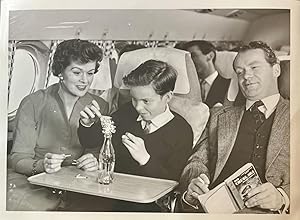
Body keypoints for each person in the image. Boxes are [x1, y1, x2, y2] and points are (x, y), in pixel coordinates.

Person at [179, 41, 289, 214]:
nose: (246, 76)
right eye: (240, 72)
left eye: (254, 67)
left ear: (276, 69)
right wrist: (196, 182)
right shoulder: (219, 116)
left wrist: (283, 197)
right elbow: (196, 161)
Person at [78, 59, 193, 211]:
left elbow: (173, 182)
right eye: (134, 99)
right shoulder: (127, 113)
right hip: (110, 196)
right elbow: (91, 141)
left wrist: (145, 159)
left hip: (147, 206)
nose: (138, 107)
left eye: (146, 101)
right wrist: (87, 123)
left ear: (167, 97)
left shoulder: (182, 131)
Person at [8, 39, 109, 210]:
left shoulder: (100, 105)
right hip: (33, 181)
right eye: (77, 72)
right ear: (60, 71)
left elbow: (97, 150)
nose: (85, 80)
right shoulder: (33, 103)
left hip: (78, 184)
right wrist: (42, 165)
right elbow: (18, 158)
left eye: (90, 73)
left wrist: (94, 161)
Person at [182, 40, 230, 108]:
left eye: (193, 55)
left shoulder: (228, 85)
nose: (189, 61)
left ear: (210, 56)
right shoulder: (186, 87)